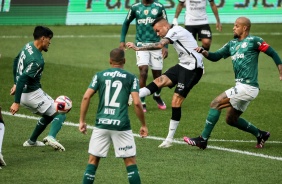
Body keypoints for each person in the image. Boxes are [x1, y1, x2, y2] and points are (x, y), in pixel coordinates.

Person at [184, 17, 282, 150]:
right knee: (231, 119)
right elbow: (216, 56)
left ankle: (203, 140)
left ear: (245, 28)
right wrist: (204, 52)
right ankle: (261, 134)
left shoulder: (254, 41)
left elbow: (273, 53)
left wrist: (280, 71)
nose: (233, 28)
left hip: (248, 87)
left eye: (236, 26)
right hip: (241, 87)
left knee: (215, 103)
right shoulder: (232, 44)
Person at [126, 17, 204, 148]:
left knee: (176, 101)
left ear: (165, 26)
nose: (157, 34)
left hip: (193, 69)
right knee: (159, 81)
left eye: (158, 30)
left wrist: (138, 48)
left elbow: (160, 44)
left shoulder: (175, 31)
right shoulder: (174, 30)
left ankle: (169, 139)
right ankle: (134, 95)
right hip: (183, 65)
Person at [79, 48, 148, 184]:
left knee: (93, 161)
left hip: (102, 124)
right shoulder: (131, 77)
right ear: (124, 61)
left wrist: (82, 120)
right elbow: (137, 103)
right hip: (121, 125)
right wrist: (143, 125)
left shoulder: (99, 75)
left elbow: (86, 97)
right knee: (130, 161)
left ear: (110, 61)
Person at [10, 26, 68, 151]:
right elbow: (24, 77)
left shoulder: (28, 46)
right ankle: (51, 137)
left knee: (48, 115)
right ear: (43, 38)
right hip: (32, 94)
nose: (50, 42)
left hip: (26, 92)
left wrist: (15, 83)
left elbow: (15, 61)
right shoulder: (37, 61)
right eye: (49, 39)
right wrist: (16, 102)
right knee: (61, 110)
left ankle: (31, 141)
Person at [119, 0, 168, 112]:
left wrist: (166, 46)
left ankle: (157, 95)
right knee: (143, 71)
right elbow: (126, 22)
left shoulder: (159, 7)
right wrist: (122, 40)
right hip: (141, 45)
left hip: (156, 45)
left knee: (157, 75)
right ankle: (142, 100)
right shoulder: (135, 7)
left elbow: (166, 25)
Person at [173, 0, 222, 74]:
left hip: (203, 21)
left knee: (206, 42)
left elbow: (213, 4)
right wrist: (175, 19)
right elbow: (180, 4)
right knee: (190, 45)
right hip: (190, 22)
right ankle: (192, 64)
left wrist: (218, 20)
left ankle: (200, 60)